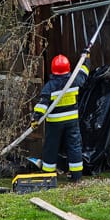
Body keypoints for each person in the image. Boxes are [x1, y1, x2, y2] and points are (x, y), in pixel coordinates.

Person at [30, 53, 89, 182]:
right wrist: (86, 59)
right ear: (68, 68)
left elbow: (42, 105)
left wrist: (35, 119)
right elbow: (83, 73)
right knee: (74, 147)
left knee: (51, 147)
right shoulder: (74, 80)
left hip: (54, 123)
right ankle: (76, 176)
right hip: (72, 121)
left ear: (53, 70)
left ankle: (48, 175)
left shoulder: (50, 86)